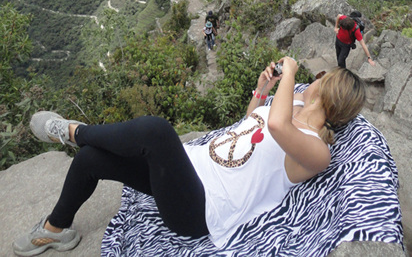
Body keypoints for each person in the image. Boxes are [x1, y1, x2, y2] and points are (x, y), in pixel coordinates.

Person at [13, 60, 366, 255]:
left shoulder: (318, 150)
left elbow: (276, 126)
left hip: (201, 208)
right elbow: (248, 127)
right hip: (189, 170)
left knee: (157, 131)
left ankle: (73, 131)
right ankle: (54, 229)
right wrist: (262, 90)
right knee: (92, 159)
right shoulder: (295, 106)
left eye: (321, 77)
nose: (311, 80)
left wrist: (290, 74)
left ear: (329, 86)